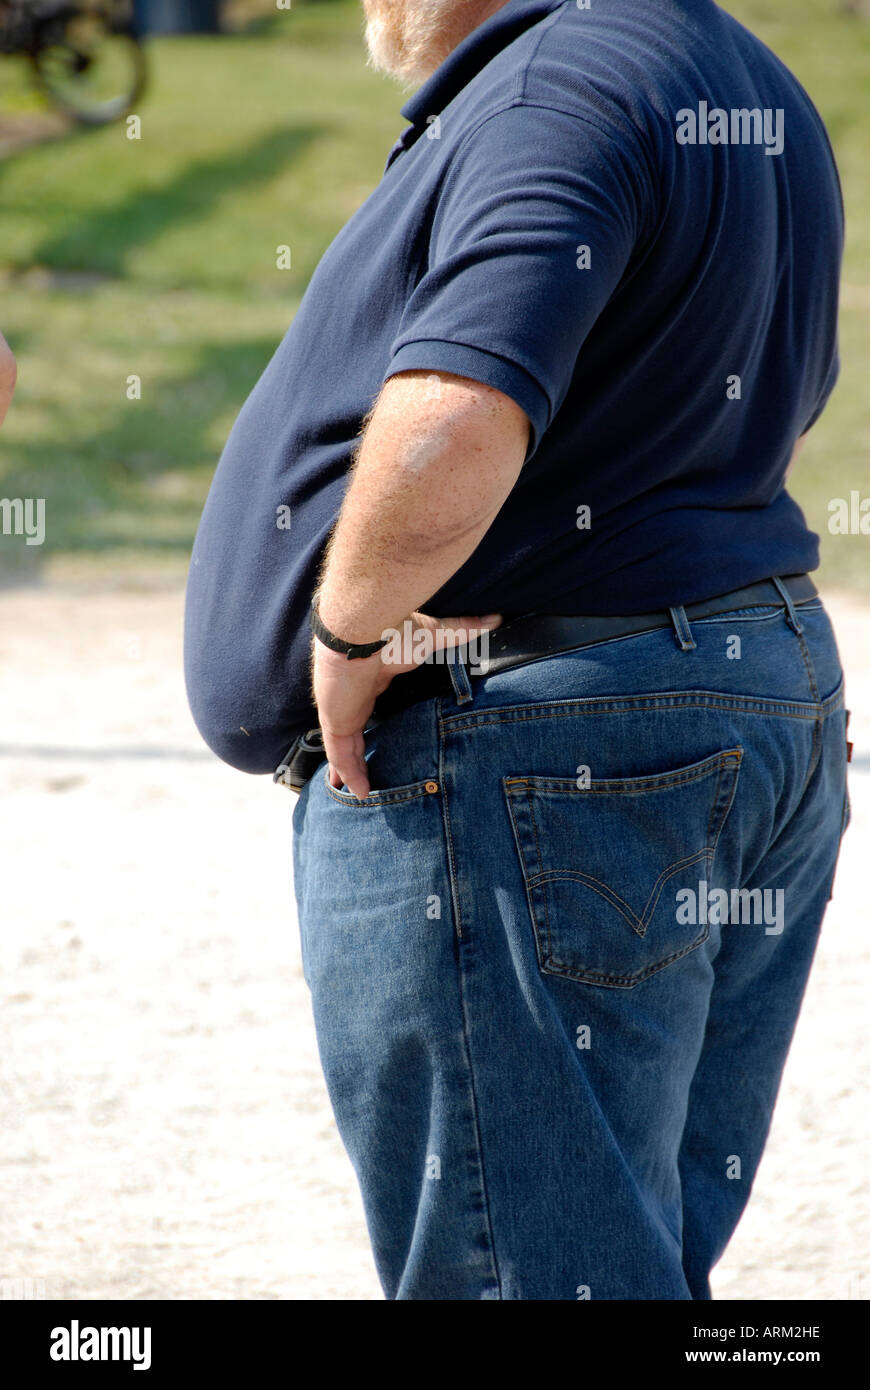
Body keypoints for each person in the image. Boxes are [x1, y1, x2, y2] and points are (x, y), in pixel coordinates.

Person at [184, 0, 850, 1299]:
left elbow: (464, 403)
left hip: (530, 742)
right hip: (736, 696)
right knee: (621, 1258)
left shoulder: (555, 84)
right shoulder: (734, 71)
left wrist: (346, 623)